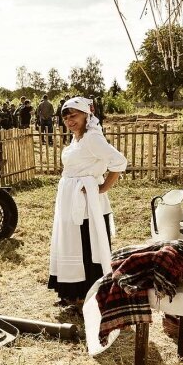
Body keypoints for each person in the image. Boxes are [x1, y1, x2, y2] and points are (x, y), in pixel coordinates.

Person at [48, 96, 128, 308]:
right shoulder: (77, 138)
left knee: (85, 244)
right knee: (70, 243)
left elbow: (119, 162)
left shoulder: (93, 138)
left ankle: (86, 296)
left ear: (86, 115)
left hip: (85, 203)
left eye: (74, 115)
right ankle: (72, 293)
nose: (69, 120)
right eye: (66, 117)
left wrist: (102, 188)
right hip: (70, 198)